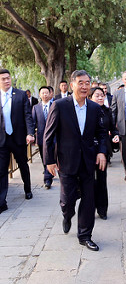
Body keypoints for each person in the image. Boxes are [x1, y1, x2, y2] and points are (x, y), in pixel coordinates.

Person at [43, 70, 107, 251]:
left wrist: (101, 152)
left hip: (88, 161)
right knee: (67, 199)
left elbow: (101, 133)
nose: (85, 86)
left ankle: (85, 235)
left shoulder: (94, 108)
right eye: (81, 82)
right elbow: (48, 135)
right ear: (72, 85)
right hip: (66, 160)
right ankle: (67, 214)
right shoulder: (60, 106)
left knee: (89, 199)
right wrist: (49, 160)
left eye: (87, 83)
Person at [0, 69, 35, 214]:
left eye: (8, 78)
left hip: (18, 137)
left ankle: (27, 188)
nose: (6, 81)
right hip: (2, 140)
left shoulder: (20, 95)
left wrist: (30, 133)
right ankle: (2, 202)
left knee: (22, 165)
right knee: (1, 170)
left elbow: (28, 116)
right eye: (3, 79)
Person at [89, 87, 119, 219]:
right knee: (89, 181)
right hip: (88, 150)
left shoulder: (107, 111)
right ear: (90, 97)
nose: (101, 98)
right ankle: (89, 208)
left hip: (103, 150)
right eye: (97, 96)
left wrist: (115, 136)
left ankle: (102, 209)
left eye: (102, 95)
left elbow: (113, 129)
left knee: (102, 180)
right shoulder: (86, 111)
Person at [32, 86, 54, 189]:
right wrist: (31, 135)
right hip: (41, 137)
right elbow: (33, 122)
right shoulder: (36, 108)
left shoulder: (55, 105)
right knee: (44, 157)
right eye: (43, 93)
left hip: (54, 137)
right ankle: (48, 175)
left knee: (53, 156)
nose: (45, 95)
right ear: (40, 95)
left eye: (46, 93)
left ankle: (48, 177)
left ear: (50, 94)